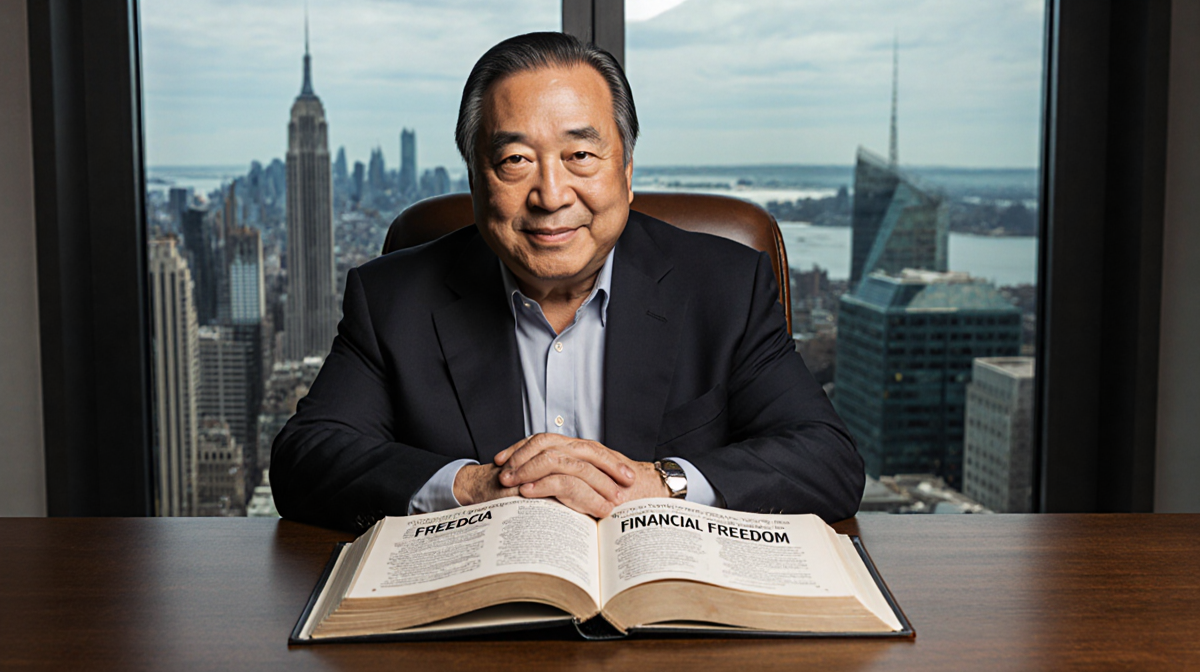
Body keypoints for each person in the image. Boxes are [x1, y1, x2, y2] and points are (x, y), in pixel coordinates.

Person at [271, 32, 864, 533]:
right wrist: (474, 488)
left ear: (626, 174)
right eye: (514, 162)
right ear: (477, 181)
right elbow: (305, 461)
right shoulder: (394, 299)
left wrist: (656, 485)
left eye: (581, 156)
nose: (551, 196)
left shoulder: (725, 287)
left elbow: (827, 460)